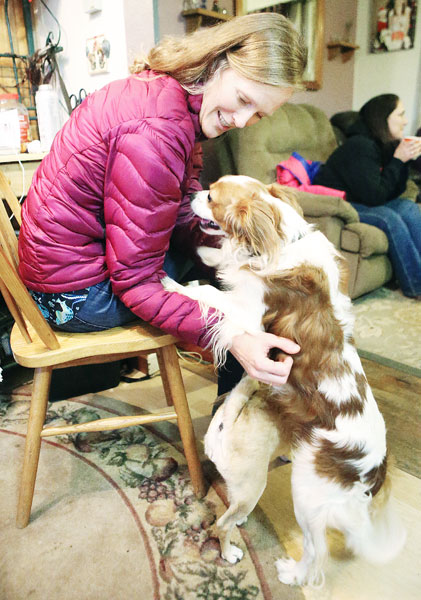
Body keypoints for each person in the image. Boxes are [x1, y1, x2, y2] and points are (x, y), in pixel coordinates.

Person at [18, 13, 306, 397]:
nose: (241, 119)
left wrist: (242, 253)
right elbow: (135, 279)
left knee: (234, 269)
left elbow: (179, 207)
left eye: (258, 114)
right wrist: (231, 333)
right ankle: (238, 418)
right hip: (70, 298)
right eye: (243, 100)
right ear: (219, 60)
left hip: (60, 277)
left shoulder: (170, 98)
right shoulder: (158, 130)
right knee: (238, 296)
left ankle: (241, 404)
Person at [314, 93, 421, 299]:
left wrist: (404, 161)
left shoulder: (381, 144)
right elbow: (375, 197)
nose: (406, 120)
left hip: (360, 199)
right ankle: (416, 285)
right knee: (389, 218)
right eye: (401, 114)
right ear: (383, 118)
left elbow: (392, 191)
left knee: (408, 207)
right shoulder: (360, 146)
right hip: (338, 204)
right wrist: (398, 160)